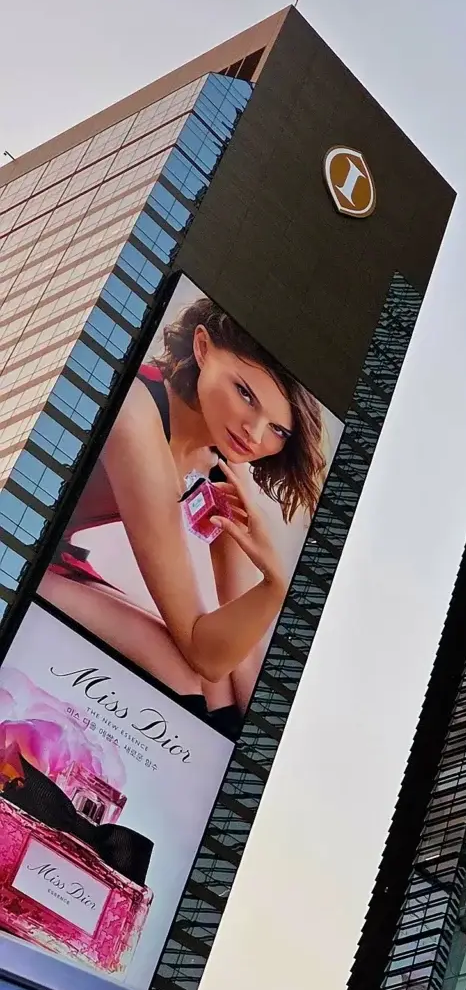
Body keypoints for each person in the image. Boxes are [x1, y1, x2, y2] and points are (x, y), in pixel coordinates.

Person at [40, 293, 326, 731]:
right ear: (203, 347)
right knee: (183, 676)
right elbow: (200, 647)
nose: (254, 432)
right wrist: (276, 585)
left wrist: (264, 744)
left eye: (277, 429)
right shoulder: (136, 412)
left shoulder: (222, 460)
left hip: (64, 562)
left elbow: (239, 649)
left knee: (218, 692)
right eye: (245, 393)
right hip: (22, 550)